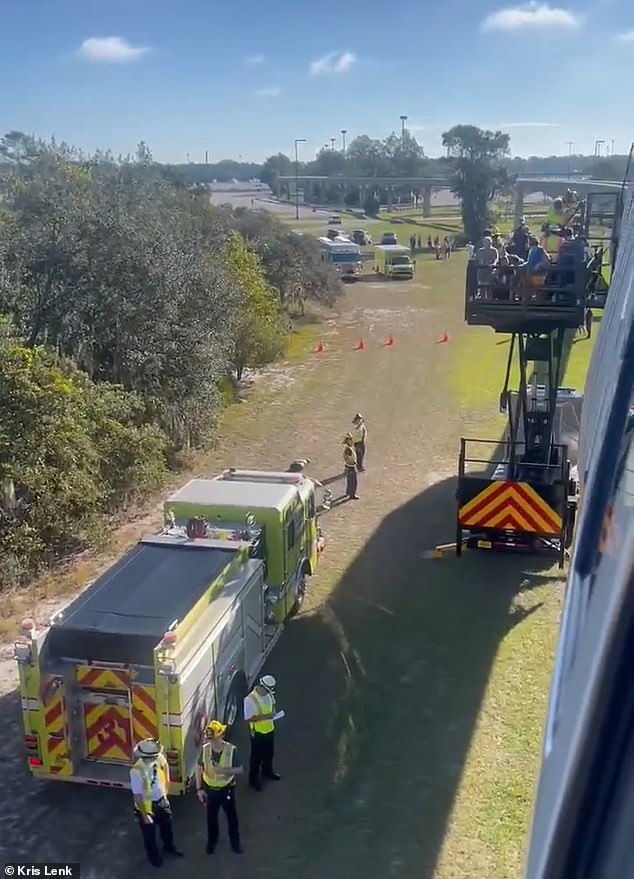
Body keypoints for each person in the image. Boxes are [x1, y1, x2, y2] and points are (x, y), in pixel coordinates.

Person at [129, 738, 184, 868]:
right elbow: (137, 797)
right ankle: (155, 859)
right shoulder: (136, 771)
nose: (156, 757)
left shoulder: (158, 758)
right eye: (153, 755)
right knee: (149, 837)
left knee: (167, 829)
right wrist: (145, 815)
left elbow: (165, 769)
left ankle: (169, 848)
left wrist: (165, 793)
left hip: (161, 802)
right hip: (147, 809)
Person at [196, 720, 244, 855]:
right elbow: (199, 767)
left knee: (232, 819)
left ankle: (235, 844)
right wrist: (199, 789)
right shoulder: (205, 750)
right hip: (210, 791)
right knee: (211, 819)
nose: (211, 742)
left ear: (221, 735)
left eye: (214, 739)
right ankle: (212, 842)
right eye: (210, 739)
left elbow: (240, 769)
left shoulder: (231, 750)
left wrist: (225, 771)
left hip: (226, 789)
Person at [244, 674, 281, 791]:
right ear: (263, 687)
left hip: (270, 730)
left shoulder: (269, 695)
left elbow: (273, 706)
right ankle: (253, 780)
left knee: (269, 754)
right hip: (257, 733)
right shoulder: (250, 699)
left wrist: (273, 713)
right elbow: (248, 718)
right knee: (256, 758)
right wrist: (267, 716)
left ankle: (267, 772)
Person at [342, 433, 359, 500]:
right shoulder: (348, 449)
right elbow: (347, 458)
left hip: (349, 466)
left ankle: (348, 492)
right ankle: (352, 494)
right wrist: (353, 463)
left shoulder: (349, 448)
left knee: (350, 480)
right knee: (353, 481)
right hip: (351, 466)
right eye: (350, 440)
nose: (352, 441)